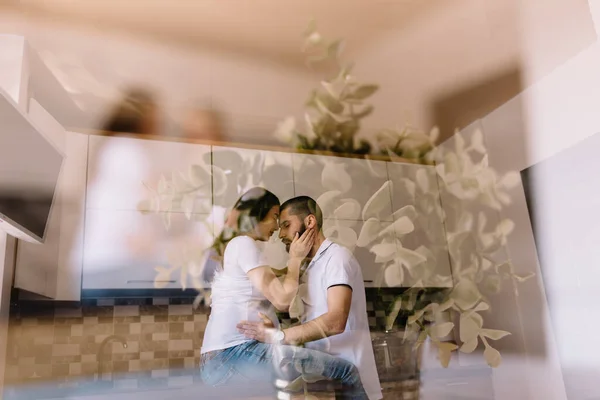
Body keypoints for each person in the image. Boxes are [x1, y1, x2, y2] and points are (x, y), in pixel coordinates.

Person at [200, 187, 369, 399]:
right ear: (259, 214)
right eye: (275, 218)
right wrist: (295, 260)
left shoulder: (241, 247)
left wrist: (273, 330)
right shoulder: (243, 244)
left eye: (284, 224)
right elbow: (282, 300)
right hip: (234, 353)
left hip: (227, 356)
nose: (277, 231)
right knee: (347, 372)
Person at [237, 196, 383, 400]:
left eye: (286, 225)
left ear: (310, 222)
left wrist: (279, 336)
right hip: (332, 380)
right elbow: (313, 331)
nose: (281, 235)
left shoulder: (336, 258)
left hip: (354, 382)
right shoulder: (313, 267)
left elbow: (335, 322)